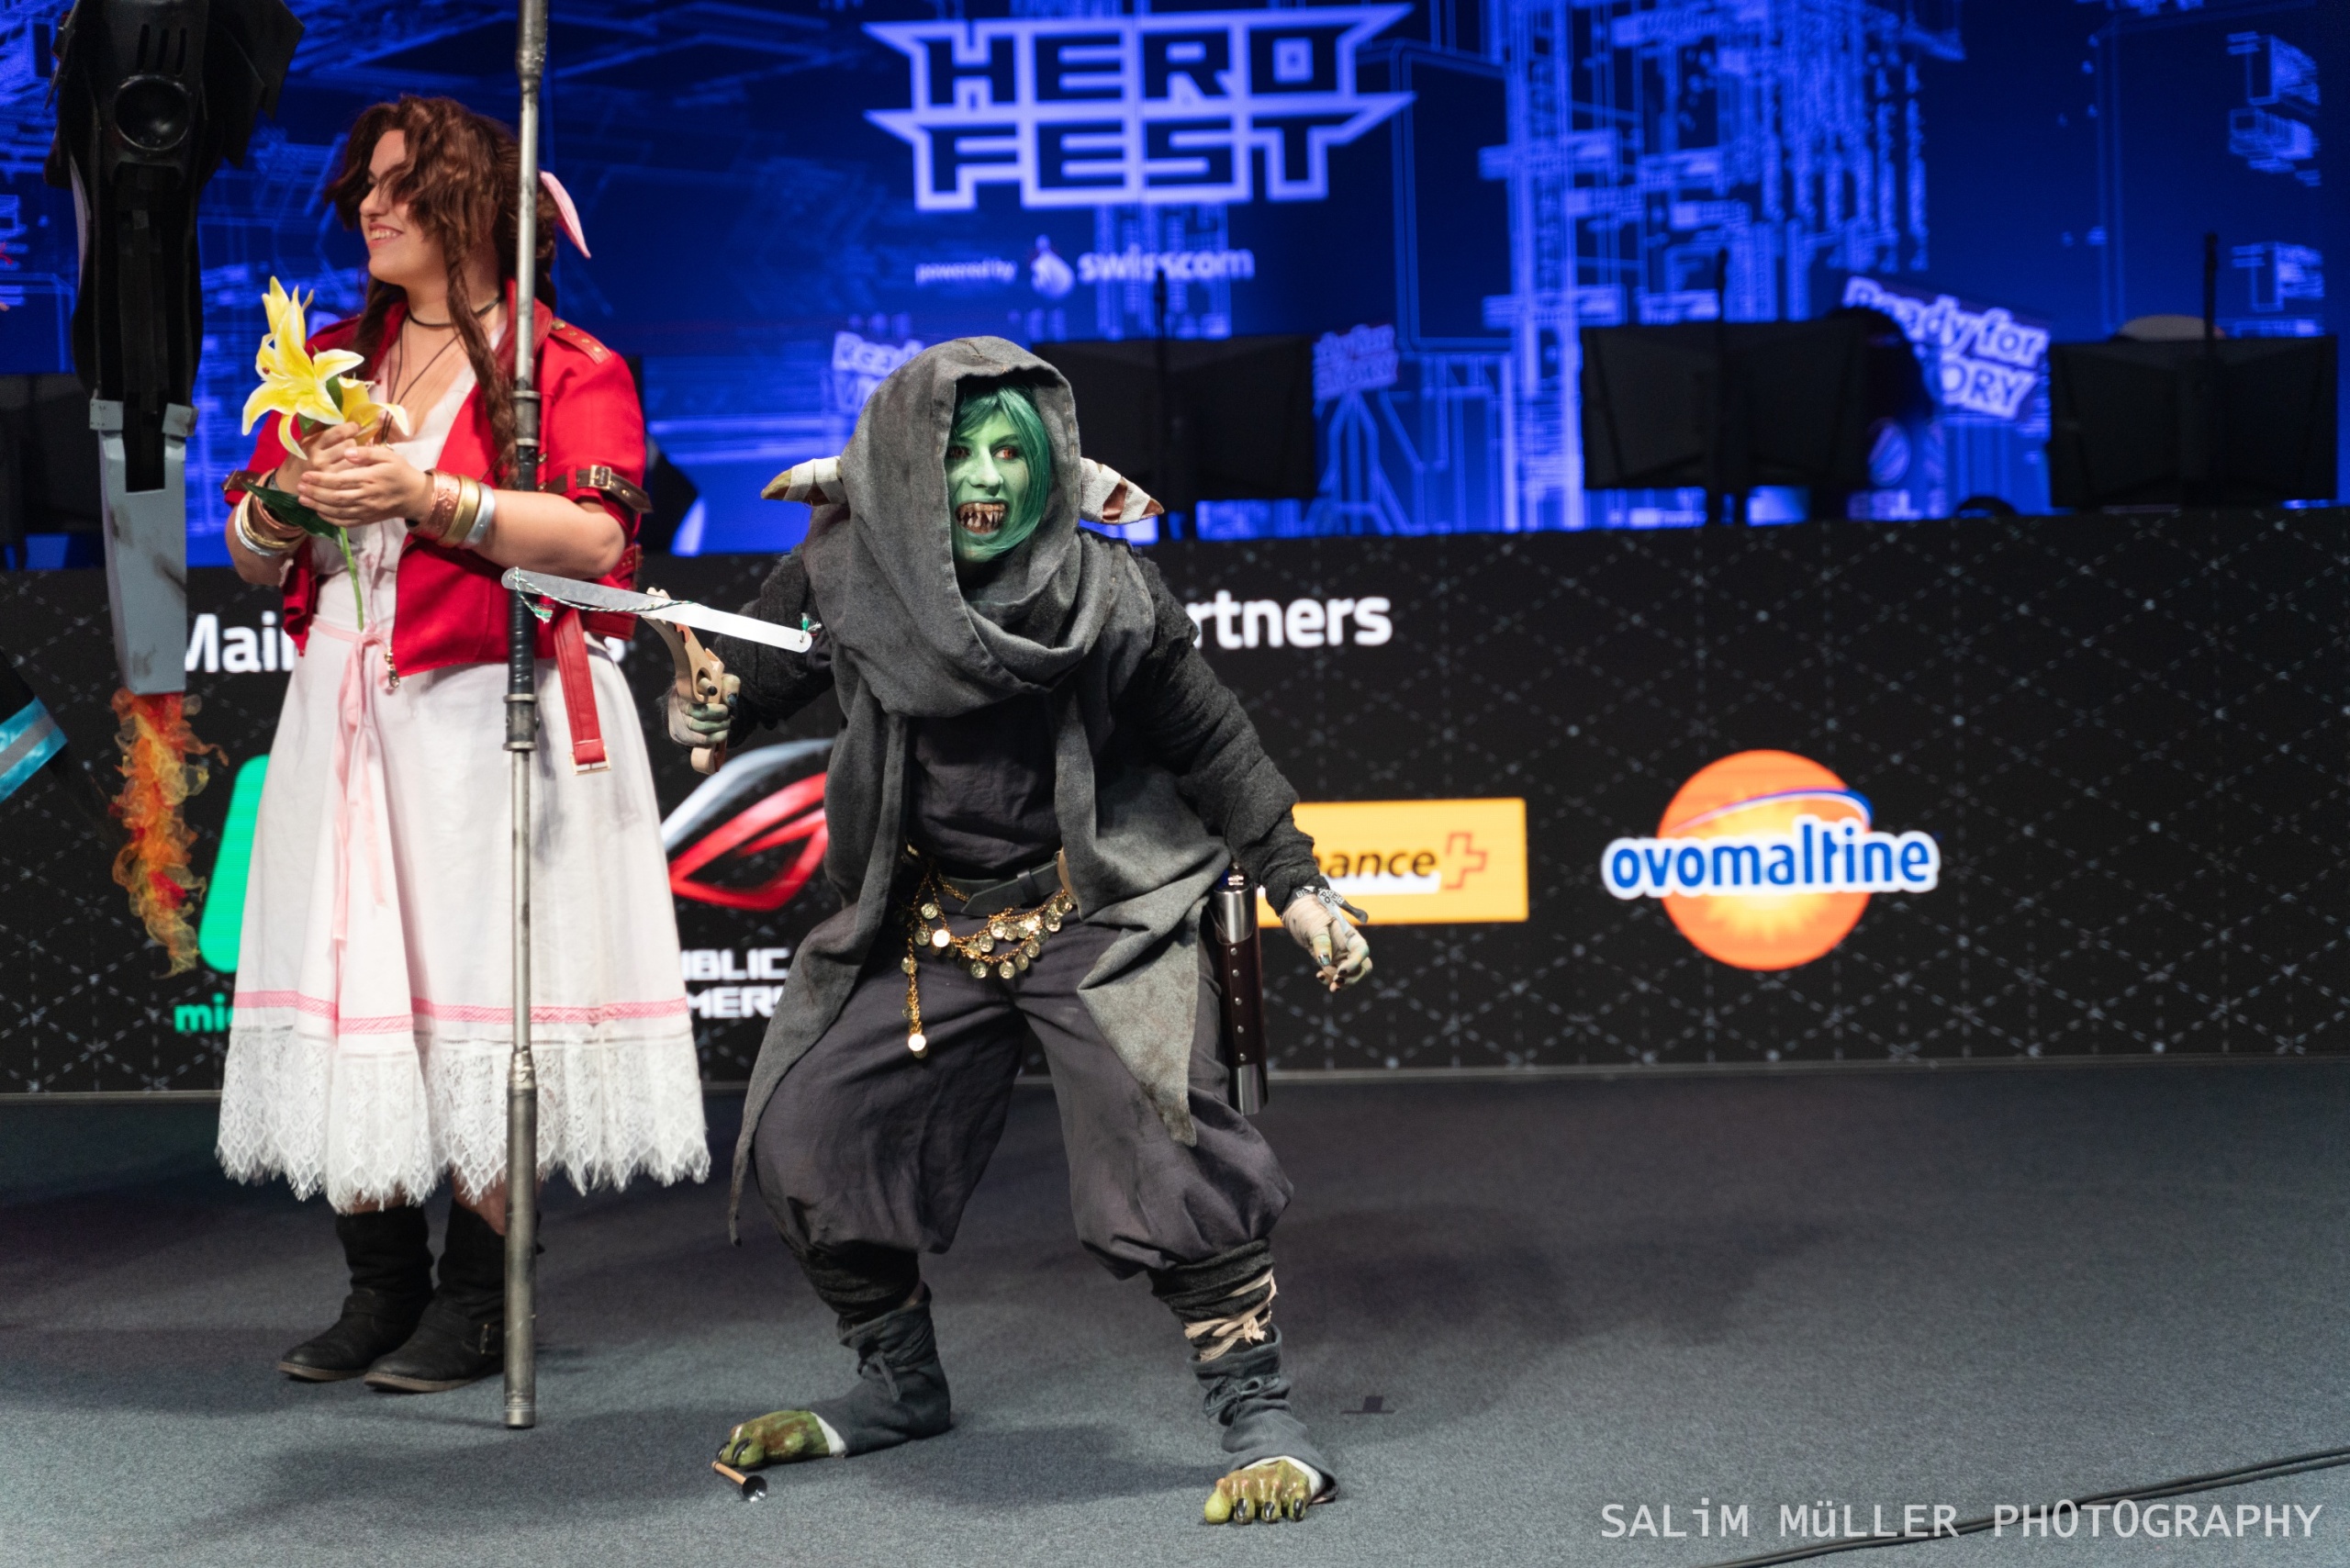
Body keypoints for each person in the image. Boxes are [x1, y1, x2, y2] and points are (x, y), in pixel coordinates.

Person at [683, 337, 1373, 1524]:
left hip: (1091, 912)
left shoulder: (1110, 592)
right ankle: (898, 1384)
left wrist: (1297, 885)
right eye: (960, 453)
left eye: (1013, 452)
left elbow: (1214, 743)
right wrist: (706, 705)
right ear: (913, 467)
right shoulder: (842, 574)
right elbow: (743, 679)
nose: (987, 478)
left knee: (1166, 1120)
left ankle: (1261, 1414)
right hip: (929, 927)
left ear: (1052, 464)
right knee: (806, 1129)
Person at [215, 95, 707, 1394]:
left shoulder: (565, 366)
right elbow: (251, 550)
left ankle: (479, 1301)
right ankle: (380, 1288)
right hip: (343, 711)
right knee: (349, 979)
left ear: (474, 206)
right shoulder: (328, 361)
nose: (371, 208)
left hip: (486, 717)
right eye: (366, 189)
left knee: (486, 998)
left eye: (401, 186)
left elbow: (599, 541)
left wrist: (433, 497)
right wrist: (288, 495)